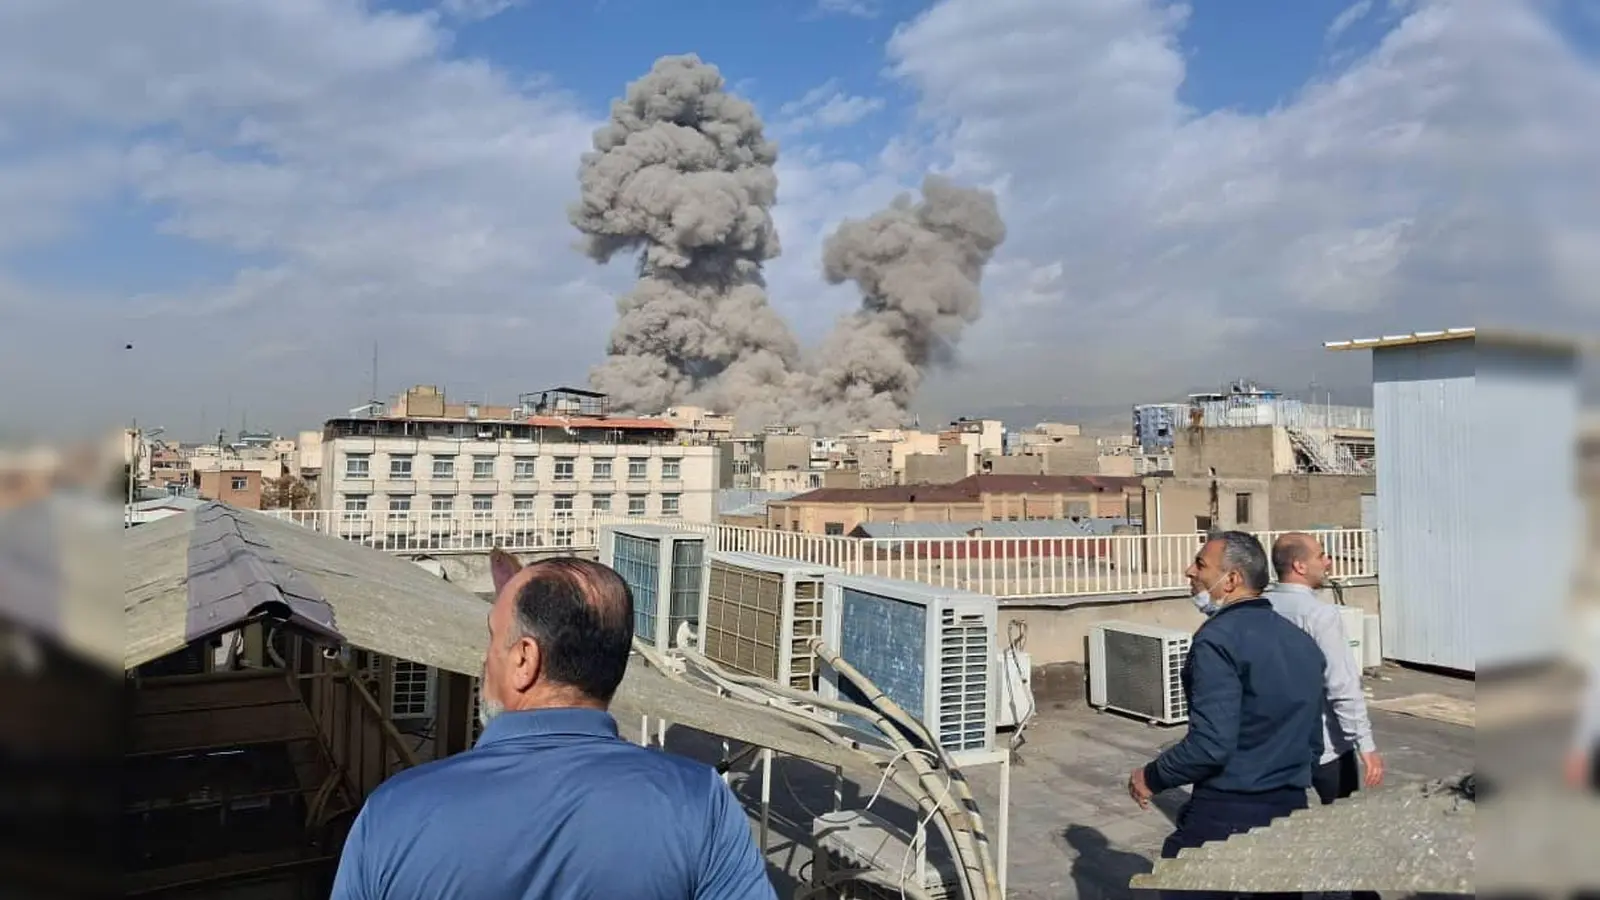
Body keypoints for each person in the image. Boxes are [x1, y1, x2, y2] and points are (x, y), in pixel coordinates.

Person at [330, 551, 777, 900]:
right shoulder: (700, 805)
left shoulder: (396, 812)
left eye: (493, 638)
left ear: (524, 660)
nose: (485, 658)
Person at [1128, 531, 1326, 898]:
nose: (1190, 571)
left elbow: (1210, 745)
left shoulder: (1217, 640)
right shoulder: (1302, 642)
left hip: (1228, 812)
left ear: (1231, 579)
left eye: (1201, 564)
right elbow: (1313, 740)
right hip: (1289, 811)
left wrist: (1151, 776)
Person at [1265, 533, 1386, 808]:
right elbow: (1341, 685)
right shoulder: (1319, 615)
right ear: (1299, 566)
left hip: (1273, 744)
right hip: (1325, 745)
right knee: (1342, 818)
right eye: (1321, 556)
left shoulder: (1260, 607)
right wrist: (1365, 744)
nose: (1328, 562)